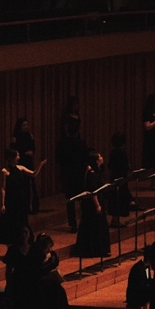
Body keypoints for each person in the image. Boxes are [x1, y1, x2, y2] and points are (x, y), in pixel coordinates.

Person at [1, 225, 38, 309]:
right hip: (17, 282)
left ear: (30, 234)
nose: (24, 235)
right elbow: (8, 270)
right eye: (22, 232)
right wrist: (8, 284)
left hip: (30, 282)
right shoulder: (13, 250)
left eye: (26, 232)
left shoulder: (33, 249)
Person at [0, 148, 42, 246]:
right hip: (11, 202)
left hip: (21, 201)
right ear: (11, 158)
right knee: (11, 225)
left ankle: (23, 243)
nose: (19, 157)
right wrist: (3, 204)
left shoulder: (21, 168)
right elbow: (3, 188)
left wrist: (40, 165)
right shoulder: (5, 171)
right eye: (17, 155)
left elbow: (33, 174)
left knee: (22, 223)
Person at [55, 96, 87, 231]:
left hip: (67, 173)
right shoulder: (81, 144)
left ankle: (73, 224)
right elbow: (85, 159)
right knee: (82, 197)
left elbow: (58, 159)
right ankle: (83, 222)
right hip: (78, 173)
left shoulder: (62, 144)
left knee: (70, 199)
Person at [74, 151, 112, 260]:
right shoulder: (91, 173)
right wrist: (97, 205)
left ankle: (99, 249)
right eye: (99, 156)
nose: (102, 157)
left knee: (98, 225)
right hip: (92, 204)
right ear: (96, 160)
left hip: (96, 201)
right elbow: (92, 191)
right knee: (94, 226)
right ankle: (94, 250)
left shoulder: (96, 171)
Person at [32, 233, 69, 309]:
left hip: (51, 280)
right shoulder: (35, 257)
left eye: (50, 247)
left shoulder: (53, 255)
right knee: (48, 293)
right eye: (46, 248)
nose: (49, 250)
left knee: (60, 291)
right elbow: (35, 273)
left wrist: (57, 274)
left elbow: (56, 267)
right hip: (40, 282)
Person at [10, 118, 41, 213]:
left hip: (28, 162)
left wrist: (31, 150)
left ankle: (32, 207)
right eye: (24, 125)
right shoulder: (15, 137)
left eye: (27, 125)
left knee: (31, 184)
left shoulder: (29, 136)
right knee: (21, 185)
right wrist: (24, 153)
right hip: (20, 163)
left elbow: (33, 147)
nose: (26, 127)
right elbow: (13, 151)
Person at [104, 131, 133, 227]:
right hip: (121, 180)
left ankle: (114, 220)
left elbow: (110, 165)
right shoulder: (122, 153)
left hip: (114, 178)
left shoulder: (113, 152)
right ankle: (115, 221)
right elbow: (126, 167)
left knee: (114, 199)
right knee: (119, 200)